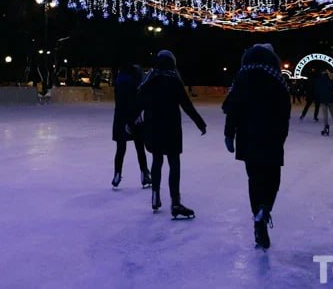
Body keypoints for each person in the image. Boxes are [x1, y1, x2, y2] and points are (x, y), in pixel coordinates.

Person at [222, 43, 290, 250]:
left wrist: (229, 133)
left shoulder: (242, 77)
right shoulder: (277, 78)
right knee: (272, 178)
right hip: (271, 136)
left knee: (254, 178)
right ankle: (265, 207)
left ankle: (258, 217)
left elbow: (232, 107)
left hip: (247, 136)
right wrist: (281, 137)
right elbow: (284, 111)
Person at [130, 50, 206, 219]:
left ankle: (155, 194)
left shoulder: (150, 80)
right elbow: (186, 104)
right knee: (174, 162)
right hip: (171, 127)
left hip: (153, 126)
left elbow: (139, 103)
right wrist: (199, 122)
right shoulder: (174, 80)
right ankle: (175, 201)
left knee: (157, 159)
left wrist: (129, 122)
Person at [111, 63, 149, 189]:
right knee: (139, 147)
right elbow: (140, 99)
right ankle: (144, 174)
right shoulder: (136, 81)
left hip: (119, 117)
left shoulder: (119, 79)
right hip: (134, 116)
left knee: (120, 149)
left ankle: (117, 174)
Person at [316, 70, 333, 137]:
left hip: (323, 100)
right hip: (330, 100)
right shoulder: (330, 81)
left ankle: (326, 127)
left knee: (325, 115)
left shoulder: (319, 81)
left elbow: (317, 91)